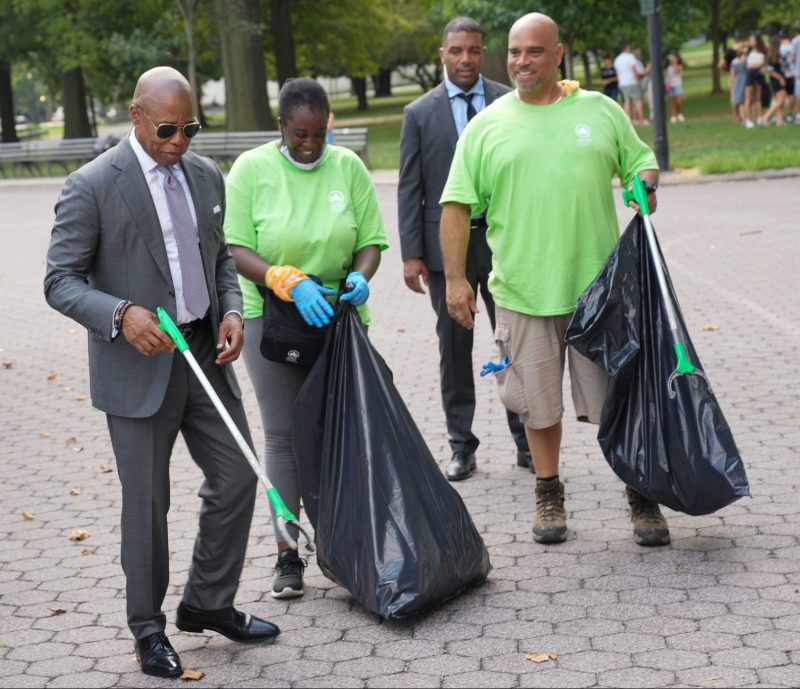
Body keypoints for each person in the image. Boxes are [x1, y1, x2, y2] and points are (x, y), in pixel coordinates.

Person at [43, 66, 279, 679]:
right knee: (147, 504)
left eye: (190, 128)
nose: (178, 142)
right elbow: (59, 281)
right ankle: (147, 631)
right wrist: (119, 315)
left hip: (205, 355)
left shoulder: (204, 175)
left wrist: (231, 310)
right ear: (136, 114)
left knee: (237, 477)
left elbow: (221, 258)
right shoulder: (91, 185)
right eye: (167, 128)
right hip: (136, 368)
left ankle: (208, 603)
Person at [439, 12, 670, 547]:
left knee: (621, 400)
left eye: (535, 52)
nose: (522, 62)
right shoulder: (487, 125)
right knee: (536, 405)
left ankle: (642, 496)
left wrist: (645, 185)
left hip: (601, 293)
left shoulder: (600, 110)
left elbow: (641, 162)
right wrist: (455, 280)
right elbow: (455, 206)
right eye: (515, 52)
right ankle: (548, 492)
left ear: (558, 53)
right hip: (523, 291)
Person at [223, 77, 388, 600]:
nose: (311, 145)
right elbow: (235, 248)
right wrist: (280, 277)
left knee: (344, 431)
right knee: (283, 437)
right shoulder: (252, 170)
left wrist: (362, 275)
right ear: (281, 128)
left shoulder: (349, 168)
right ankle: (287, 554)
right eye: (299, 135)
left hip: (335, 317)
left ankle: (355, 545)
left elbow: (370, 242)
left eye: (319, 134)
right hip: (270, 319)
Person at [398, 17, 530, 482]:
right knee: (454, 351)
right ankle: (461, 446)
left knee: (516, 342)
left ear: (483, 52)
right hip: (444, 253)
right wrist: (412, 254)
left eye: (474, 51)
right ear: (442, 54)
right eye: (456, 51)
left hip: (502, 243)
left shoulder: (507, 101)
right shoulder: (419, 113)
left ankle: (527, 442)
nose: (466, 60)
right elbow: (409, 187)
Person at [614, 44, 646, 126]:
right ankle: (641, 120)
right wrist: (637, 80)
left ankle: (628, 122)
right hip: (632, 82)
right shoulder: (630, 57)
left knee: (626, 102)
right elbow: (633, 69)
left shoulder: (617, 59)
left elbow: (618, 74)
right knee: (638, 100)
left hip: (623, 83)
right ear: (626, 48)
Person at [743, 33, 767, 128]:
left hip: (759, 74)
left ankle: (759, 117)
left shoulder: (763, 50)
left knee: (758, 97)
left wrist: (763, 67)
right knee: (748, 98)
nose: (751, 42)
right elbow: (748, 65)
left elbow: (765, 62)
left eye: (752, 40)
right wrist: (746, 43)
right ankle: (748, 119)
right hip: (750, 73)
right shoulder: (748, 50)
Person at [764, 36, 788, 126]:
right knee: (780, 101)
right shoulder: (773, 56)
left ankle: (779, 121)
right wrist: (780, 78)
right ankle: (766, 117)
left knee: (778, 101)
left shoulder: (774, 54)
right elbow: (770, 71)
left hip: (775, 80)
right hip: (777, 80)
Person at [730, 45, 748, 123]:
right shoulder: (745, 60)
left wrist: (733, 84)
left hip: (737, 80)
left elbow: (732, 75)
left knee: (738, 100)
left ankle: (738, 117)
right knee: (742, 101)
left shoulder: (733, 61)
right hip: (744, 80)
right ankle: (744, 117)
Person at [666, 53, 685, 123]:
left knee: (679, 101)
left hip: (677, 85)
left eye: (674, 58)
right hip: (669, 86)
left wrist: (674, 63)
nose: (672, 60)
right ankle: (673, 116)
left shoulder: (679, 66)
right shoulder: (669, 67)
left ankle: (679, 114)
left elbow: (676, 70)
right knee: (671, 102)